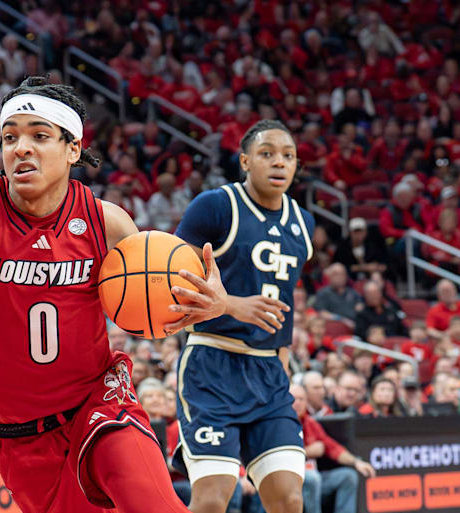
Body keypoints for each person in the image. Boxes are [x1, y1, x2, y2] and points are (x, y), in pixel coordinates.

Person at [0, 76, 230, 513]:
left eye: (39, 136)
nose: (20, 148)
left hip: (99, 403)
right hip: (19, 440)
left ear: (73, 149)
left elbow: (158, 312)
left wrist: (212, 306)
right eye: (9, 138)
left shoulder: (107, 223)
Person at [172, 119, 313, 513]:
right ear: (246, 161)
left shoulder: (304, 222)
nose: (279, 163)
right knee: (215, 498)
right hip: (213, 364)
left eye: (288, 156)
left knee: (289, 498)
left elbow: (284, 299)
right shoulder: (216, 206)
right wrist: (231, 304)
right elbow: (168, 274)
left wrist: (282, 359)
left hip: (268, 373)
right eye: (267, 154)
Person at [290, 384, 375, 513]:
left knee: (348, 476)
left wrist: (356, 462)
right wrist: (307, 452)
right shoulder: (279, 424)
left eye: (302, 399)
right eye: (294, 399)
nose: (298, 403)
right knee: (312, 478)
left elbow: (332, 448)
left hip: (315, 478)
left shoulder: (310, 423)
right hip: (290, 481)